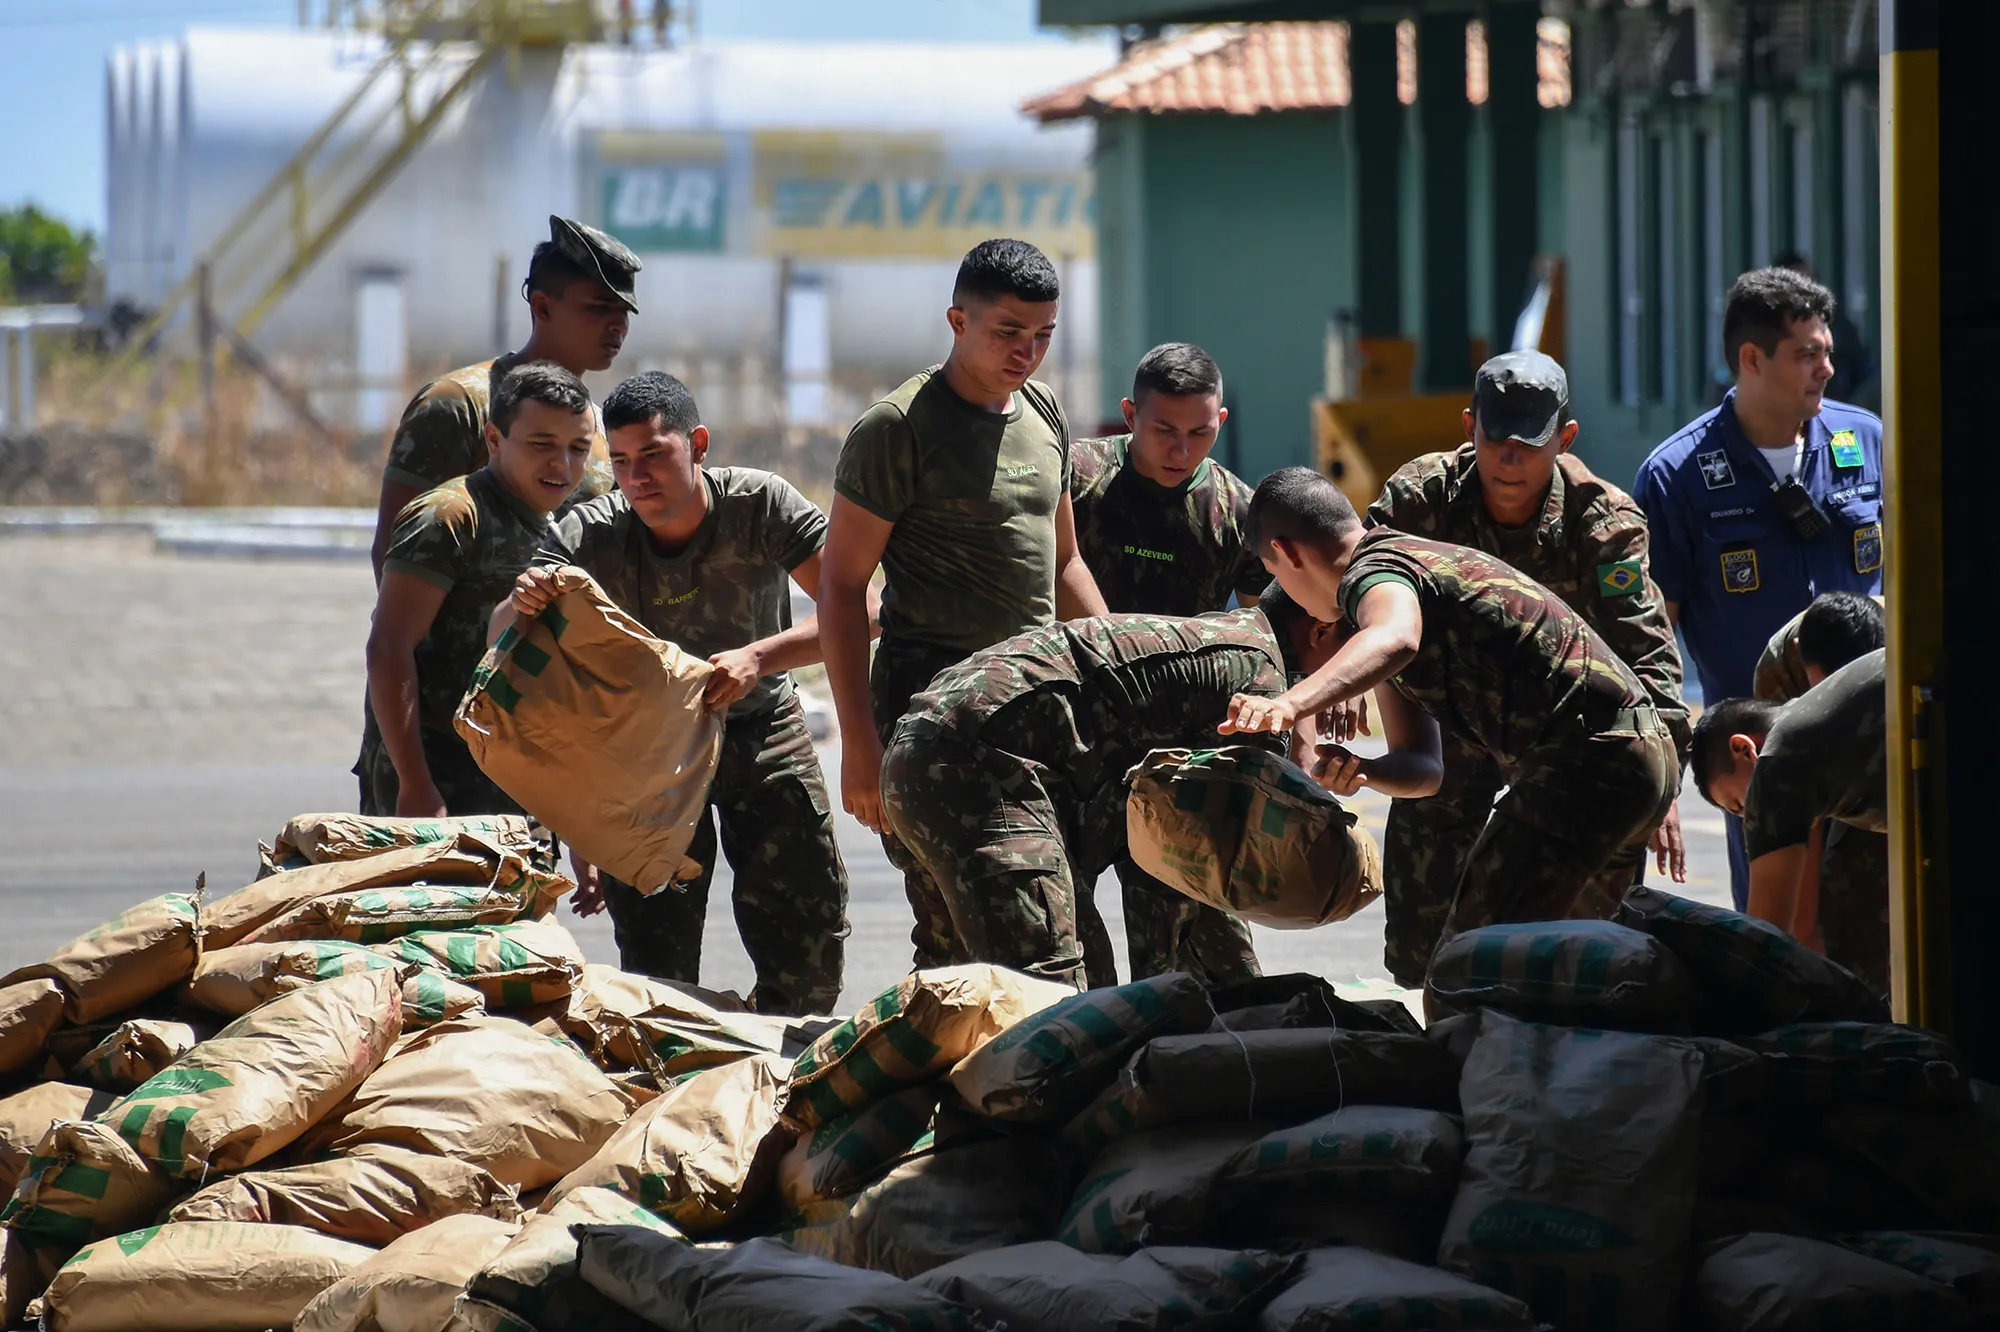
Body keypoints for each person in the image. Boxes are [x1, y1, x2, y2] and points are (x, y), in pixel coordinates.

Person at [1231, 467, 1678, 988]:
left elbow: (1395, 637)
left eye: (1271, 571)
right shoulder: (1400, 577)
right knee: (1580, 980)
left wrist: (1290, 702)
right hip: (1635, 759)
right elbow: (1426, 770)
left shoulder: (1377, 569)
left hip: (1587, 763)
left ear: (1285, 553)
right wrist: (1366, 770)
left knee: (1465, 973)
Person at [499, 372, 859, 1016]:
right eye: (621, 461)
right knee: (655, 967)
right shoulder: (591, 533)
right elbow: (509, 641)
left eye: (654, 455)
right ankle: (679, 1072)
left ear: (697, 445)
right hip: (647, 752)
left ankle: (784, 1062)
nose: (637, 477)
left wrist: (759, 657)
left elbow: (859, 609)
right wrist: (520, 603)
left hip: (761, 729)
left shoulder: (759, 505)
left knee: (807, 946)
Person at [879, 588, 1441, 988]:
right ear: (1320, 632)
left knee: (955, 985)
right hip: (973, 769)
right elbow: (1196, 865)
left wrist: (1225, 991)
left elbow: (1184, 873)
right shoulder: (1258, 682)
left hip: (927, 747)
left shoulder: (1233, 643)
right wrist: (1166, 990)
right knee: (1059, 1002)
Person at [818, 237, 1109, 974]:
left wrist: (1116, 676)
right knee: (961, 938)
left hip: (1036, 710)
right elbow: (842, 587)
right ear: (957, 321)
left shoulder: (1043, 410)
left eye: (1043, 335)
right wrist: (859, 743)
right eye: (1008, 331)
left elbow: (1065, 561)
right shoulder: (898, 428)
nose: (1027, 352)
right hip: (934, 723)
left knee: (1057, 928)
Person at [1364, 351, 1690, 970]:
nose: (1509, 459)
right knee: (1419, 950)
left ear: (1564, 438)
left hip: (1570, 740)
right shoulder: (1420, 500)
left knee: (1581, 948)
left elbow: (1646, 653)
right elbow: (1351, 582)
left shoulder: (1603, 524)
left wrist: (1661, 780)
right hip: (1455, 730)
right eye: (1496, 439)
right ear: (1469, 427)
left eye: (1529, 444)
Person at [356, 216, 634, 813]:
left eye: (624, 313)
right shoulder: (459, 405)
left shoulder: (593, 427)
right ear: (542, 306)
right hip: (440, 733)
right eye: (597, 309)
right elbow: (395, 555)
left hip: (537, 734)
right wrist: (417, 751)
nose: (616, 326)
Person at [1634, 265, 1885, 909]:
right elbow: (1650, 638)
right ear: (1751, 359)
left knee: (1882, 928)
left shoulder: (1867, 440)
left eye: (1827, 352)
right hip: (1761, 762)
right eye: (1806, 356)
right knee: (1779, 934)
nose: (1827, 369)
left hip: (1873, 751)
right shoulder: (1677, 476)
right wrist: (1661, 776)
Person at [1067, 341, 1270, 985]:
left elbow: (1266, 633)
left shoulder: (1236, 512)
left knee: (1207, 966)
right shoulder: (1076, 481)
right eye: (1163, 431)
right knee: (1061, 940)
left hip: (1180, 757)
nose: (1181, 450)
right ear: (1130, 415)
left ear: (1221, 422)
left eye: (1199, 433)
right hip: (1076, 741)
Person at [363, 362, 595, 817]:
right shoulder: (451, 516)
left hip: (519, 781)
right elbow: (388, 647)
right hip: (441, 779)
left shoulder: (564, 525)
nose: (562, 465)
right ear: (494, 439)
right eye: (541, 444)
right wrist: (415, 784)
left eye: (578, 448)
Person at [1688, 648, 1888, 990]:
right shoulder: (1820, 723)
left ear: (1743, 749)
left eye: (1739, 805)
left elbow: (1764, 943)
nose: (1749, 817)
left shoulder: (1777, 763)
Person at [1740, 591, 1889, 994]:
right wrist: (1806, 936)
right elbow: (1793, 817)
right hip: (1829, 776)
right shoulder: (1779, 672)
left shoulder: (1906, 639)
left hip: (1888, 754)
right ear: (1798, 653)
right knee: (1844, 892)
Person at [1775, 252, 1875, 404]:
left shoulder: (1837, 325)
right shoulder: (1770, 331)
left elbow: (1862, 371)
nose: (1808, 291)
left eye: (1812, 282)